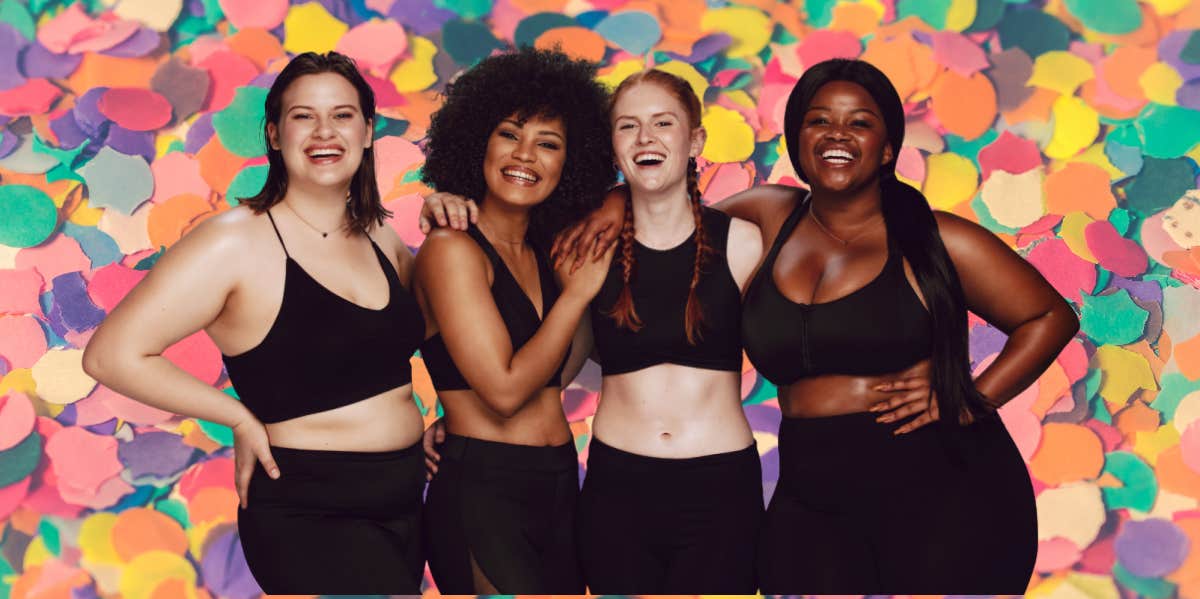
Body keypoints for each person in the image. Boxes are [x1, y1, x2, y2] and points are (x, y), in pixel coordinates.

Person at [553, 58, 1080, 593]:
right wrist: (617, 200)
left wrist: (969, 396)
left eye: (860, 122)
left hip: (939, 483)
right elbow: (670, 213)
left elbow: (1049, 316)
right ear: (797, 139)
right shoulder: (768, 214)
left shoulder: (933, 238)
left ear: (889, 148)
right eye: (819, 120)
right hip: (813, 488)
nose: (837, 135)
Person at [82, 52, 428, 594]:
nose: (324, 131)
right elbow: (110, 355)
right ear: (273, 134)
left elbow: (424, 339)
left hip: (406, 504)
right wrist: (237, 417)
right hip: (311, 512)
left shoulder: (381, 237)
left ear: (366, 132)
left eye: (342, 115)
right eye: (302, 116)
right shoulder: (234, 241)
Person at [413, 47, 615, 594]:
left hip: (555, 484)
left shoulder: (546, 251)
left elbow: (555, 372)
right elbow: (503, 392)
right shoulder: (451, 249)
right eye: (509, 133)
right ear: (478, 140)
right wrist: (578, 297)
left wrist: (615, 208)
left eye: (548, 144)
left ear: (570, 164)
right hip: (483, 490)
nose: (524, 154)